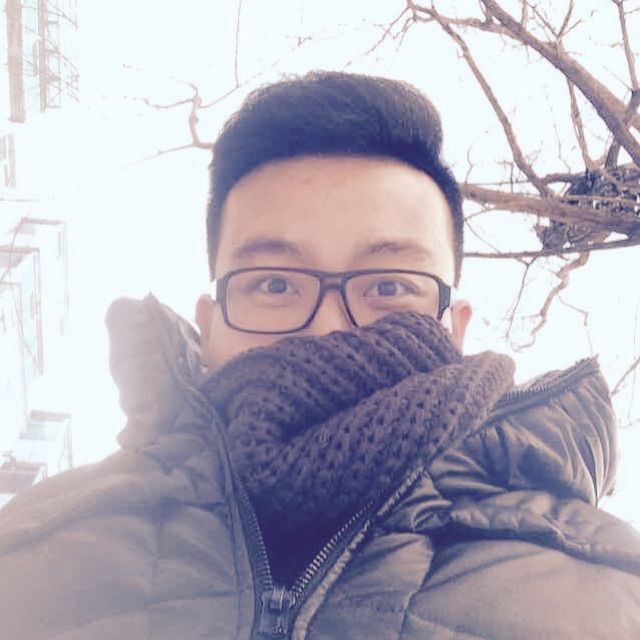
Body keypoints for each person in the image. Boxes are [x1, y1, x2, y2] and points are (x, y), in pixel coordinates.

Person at [0, 71, 639, 640]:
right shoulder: (28, 549)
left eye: (389, 287)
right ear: (209, 325)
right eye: (276, 284)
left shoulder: (613, 585)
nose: (329, 330)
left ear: (455, 329)